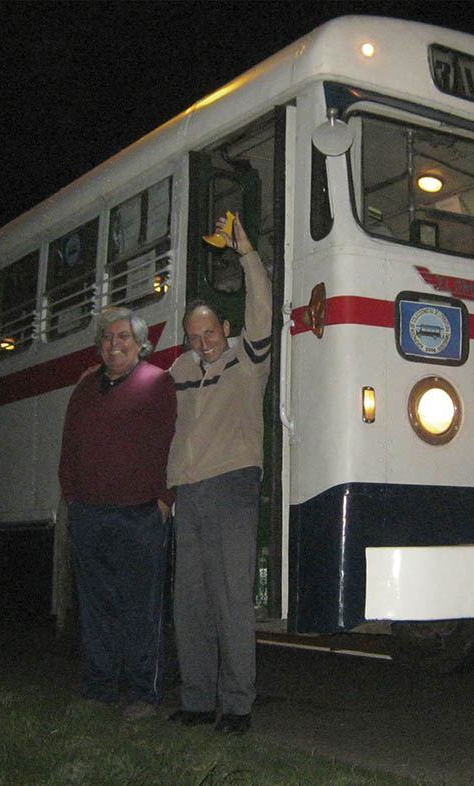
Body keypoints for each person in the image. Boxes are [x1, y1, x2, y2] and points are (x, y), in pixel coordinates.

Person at [167, 213, 271, 734]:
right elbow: (146, 401)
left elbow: (261, 308)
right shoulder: (180, 372)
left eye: (209, 333)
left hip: (232, 487)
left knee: (231, 599)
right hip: (189, 493)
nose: (203, 343)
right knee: (190, 603)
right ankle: (195, 700)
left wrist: (246, 253)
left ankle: (237, 707)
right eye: (194, 337)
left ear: (224, 330)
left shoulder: (247, 362)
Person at [58, 306, 176, 720]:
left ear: (141, 343)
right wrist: (72, 496)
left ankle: (144, 695)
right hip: (89, 513)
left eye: (123, 337)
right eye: (107, 337)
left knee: (141, 610)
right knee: (95, 608)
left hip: (140, 514)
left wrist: (164, 499)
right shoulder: (86, 387)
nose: (114, 344)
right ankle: (99, 689)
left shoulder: (158, 382)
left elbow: (171, 444)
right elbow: (69, 444)